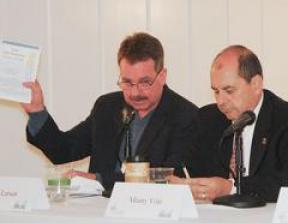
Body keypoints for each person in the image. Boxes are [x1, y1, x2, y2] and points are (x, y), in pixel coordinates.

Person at [23, 32, 198, 190]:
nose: (135, 93)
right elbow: (63, 151)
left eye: (145, 82)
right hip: (100, 215)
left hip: (152, 216)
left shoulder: (186, 115)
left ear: (162, 76)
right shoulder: (107, 107)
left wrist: (99, 180)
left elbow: (167, 176)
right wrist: (37, 112)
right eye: (127, 82)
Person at [170, 45, 288, 203]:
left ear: (256, 84)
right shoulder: (208, 119)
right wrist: (184, 184)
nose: (220, 102)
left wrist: (232, 188)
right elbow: (186, 170)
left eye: (229, 91)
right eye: (216, 91)